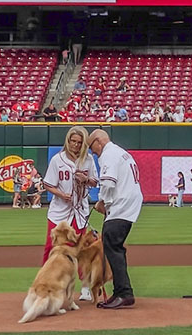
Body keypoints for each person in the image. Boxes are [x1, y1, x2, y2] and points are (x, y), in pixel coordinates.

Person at [87, 129, 141, 309]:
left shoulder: (109, 155)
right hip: (128, 204)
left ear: (98, 141)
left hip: (121, 205)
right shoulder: (120, 152)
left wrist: (103, 203)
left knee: (112, 245)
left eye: (92, 147)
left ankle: (124, 293)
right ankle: (120, 292)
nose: (92, 152)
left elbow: (108, 183)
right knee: (114, 246)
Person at [43, 126, 99, 289]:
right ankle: (47, 281)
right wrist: (61, 194)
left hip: (80, 210)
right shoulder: (57, 160)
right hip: (59, 210)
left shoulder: (87, 159)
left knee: (81, 248)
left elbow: (95, 182)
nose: (75, 145)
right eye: (72, 141)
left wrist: (86, 179)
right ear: (67, 141)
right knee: (51, 247)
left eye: (79, 142)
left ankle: (86, 287)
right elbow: (48, 184)